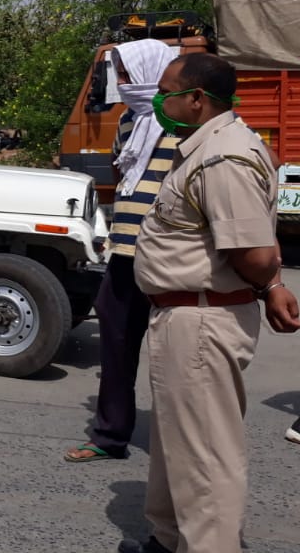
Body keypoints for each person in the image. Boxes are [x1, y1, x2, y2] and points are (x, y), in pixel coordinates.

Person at [118, 53, 300, 553]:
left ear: (196, 99)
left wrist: (270, 283)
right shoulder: (207, 147)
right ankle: (170, 538)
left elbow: (257, 253)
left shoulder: (223, 158)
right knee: (179, 444)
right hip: (187, 313)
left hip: (201, 319)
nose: (159, 100)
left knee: (205, 457)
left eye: (167, 91)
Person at [64, 39, 178, 463]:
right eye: (121, 76)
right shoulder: (130, 120)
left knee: (175, 357)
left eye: (129, 75)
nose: (124, 84)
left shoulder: (184, 122)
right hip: (124, 254)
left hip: (169, 259)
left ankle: (181, 444)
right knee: (116, 344)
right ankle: (110, 436)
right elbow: (119, 170)